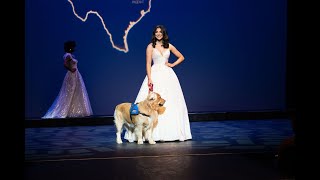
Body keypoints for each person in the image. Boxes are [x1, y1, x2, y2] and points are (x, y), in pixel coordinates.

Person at [124, 25, 192, 142]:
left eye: (160, 32)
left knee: (172, 102)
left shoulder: (168, 46)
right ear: (154, 34)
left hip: (168, 76)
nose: (158, 34)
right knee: (149, 103)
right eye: (156, 32)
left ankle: (172, 133)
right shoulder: (150, 47)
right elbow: (148, 63)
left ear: (163, 33)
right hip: (155, 74)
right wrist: (150, 78)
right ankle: (147, 134)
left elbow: (181, 57)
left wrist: (172, 64)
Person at [42, 40, 93, 119]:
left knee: (76, 92)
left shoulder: (70, 55)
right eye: (73, 47)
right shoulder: (68, 55)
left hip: (76, 75)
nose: (74, 49)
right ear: (70, 48)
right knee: (69, 92)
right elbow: (65, 64)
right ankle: (63, 111)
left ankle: (73, 111)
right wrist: (71, 69)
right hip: (72, 76)